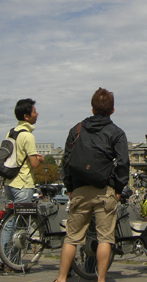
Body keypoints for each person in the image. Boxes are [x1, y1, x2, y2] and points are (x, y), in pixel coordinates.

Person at [55, 88, 130, 282]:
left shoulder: (77, 129)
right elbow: (122, 164)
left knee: (72, 237)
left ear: (92, 108)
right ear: (112, 110)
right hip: (105, 190)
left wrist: (70, 187)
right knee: (105, 238)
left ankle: (62, 278)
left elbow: (66, 161)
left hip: (79, 188)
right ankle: (101, 279)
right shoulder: (117, 133)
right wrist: (119, 190)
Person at [0, 98, 44, 271]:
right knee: (21, 226)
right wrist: (39, 158)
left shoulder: (11, 132)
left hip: (9, 182)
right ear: (26, 116)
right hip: (23, 183)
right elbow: (34, 164)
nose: (37, 114)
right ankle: (13, 262)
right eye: (34, 111)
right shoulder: (28, 136)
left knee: (8, 222)